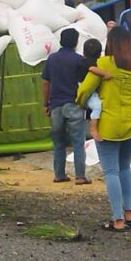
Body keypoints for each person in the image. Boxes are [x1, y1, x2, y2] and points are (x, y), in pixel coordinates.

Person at [76, 27, 131, 232]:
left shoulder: (103, 64)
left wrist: (81, 102)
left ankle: (118, 220)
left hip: (109, 125)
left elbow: (85, 89)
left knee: (111, 170)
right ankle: (129, 213)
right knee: (124, 167)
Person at [42, 28, 89, 184]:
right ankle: (80, 176)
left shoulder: (51, 59)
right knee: (78, 143)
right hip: (74, 104)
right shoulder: (79, 60)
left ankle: (59, 175)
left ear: (61, 41)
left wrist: (46, 103)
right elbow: (85, 83)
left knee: (59, 143)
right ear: (75, 42)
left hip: (55, 106)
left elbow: (45, 82)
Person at [77, 39, 105, 144]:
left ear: (84, 52)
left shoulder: (82, 61)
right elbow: (92, 69)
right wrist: (105, 74)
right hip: (87, 90)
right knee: (98, 107)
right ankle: (93, 130)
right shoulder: (92, 63)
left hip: (83, 88)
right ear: (99, 54)